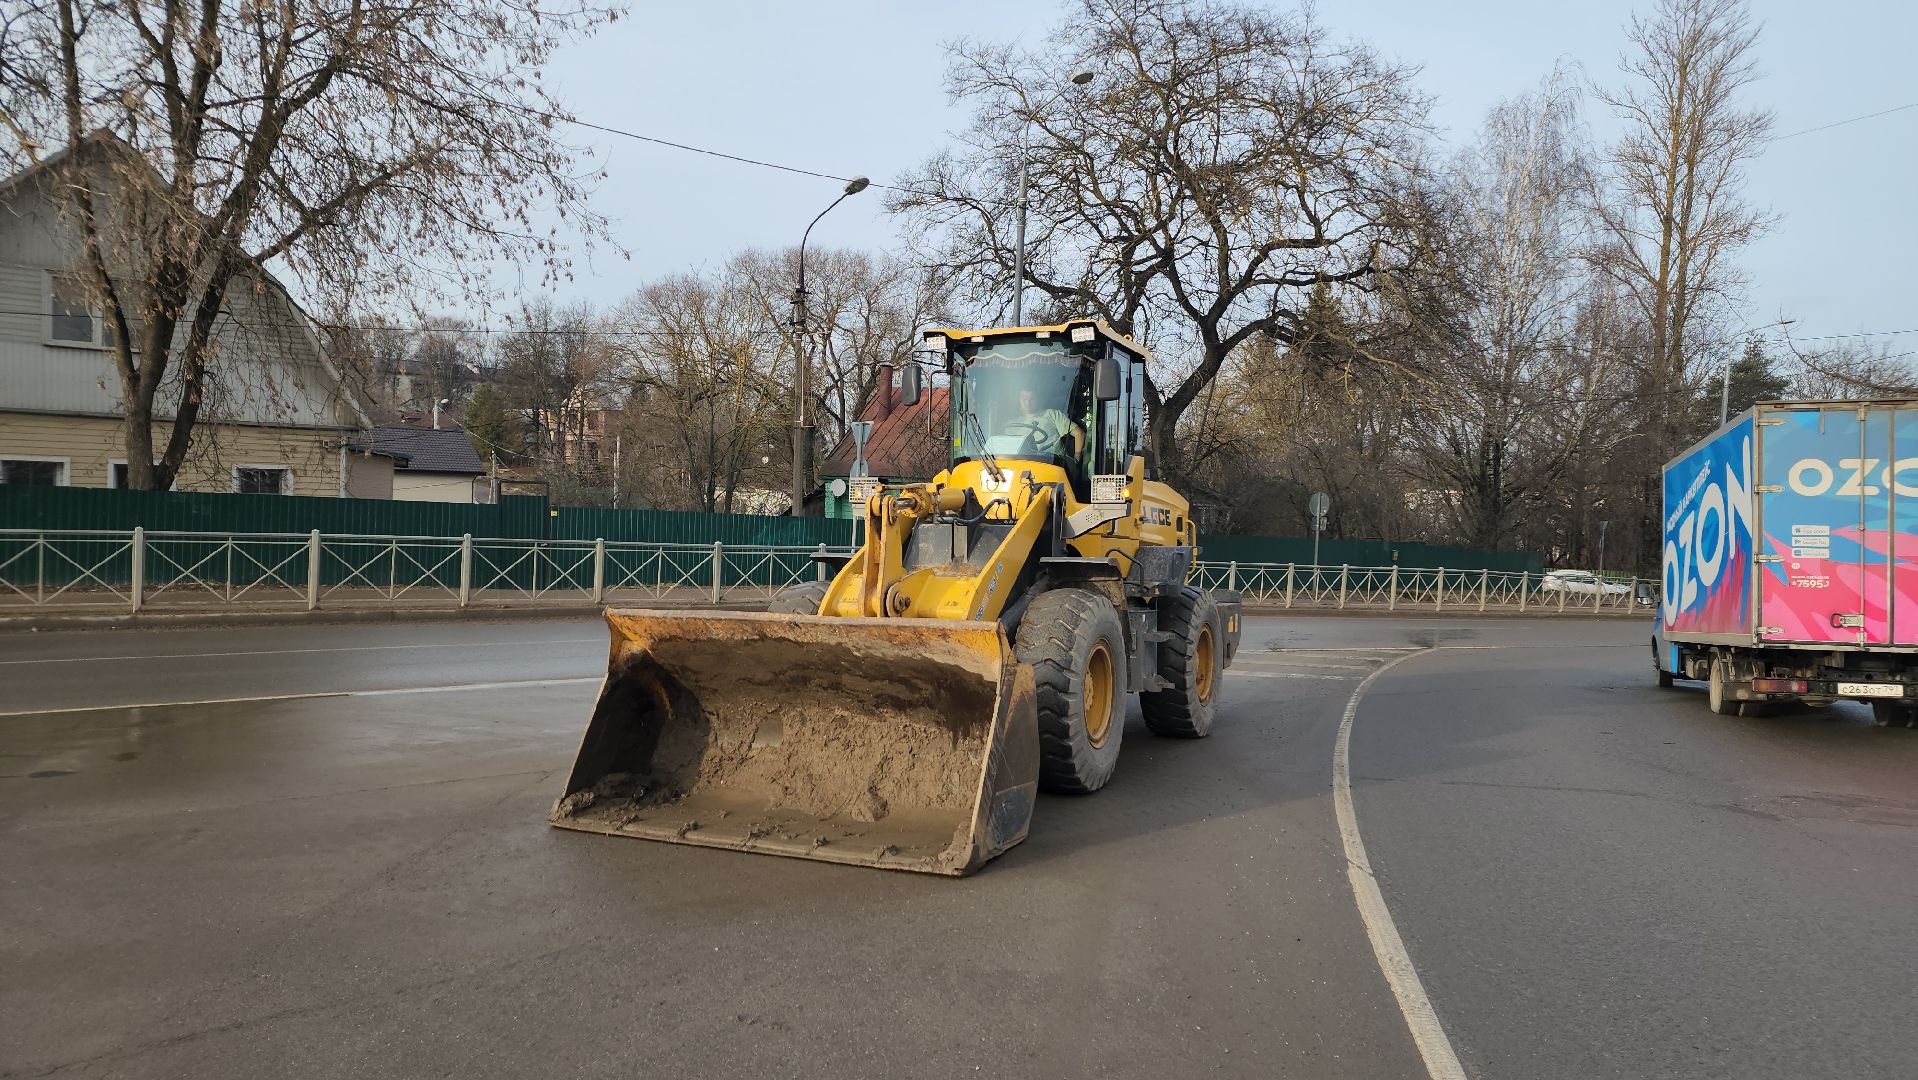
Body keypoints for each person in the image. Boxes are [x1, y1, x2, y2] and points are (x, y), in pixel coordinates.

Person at [1004, 388, 1084, 457]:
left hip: (1053, 464)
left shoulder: (1052, 414)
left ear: (1037, 399)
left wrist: (1077, 457)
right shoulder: (1012, 425)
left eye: (1032, 399)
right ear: (1018, 400)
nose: (1028, 403)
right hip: (1022, 464)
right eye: (1024, 399)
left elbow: (1079, 433)